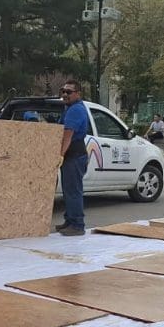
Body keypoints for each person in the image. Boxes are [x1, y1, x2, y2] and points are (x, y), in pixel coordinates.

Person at [56, 80, 90, 237]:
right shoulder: (70, 108)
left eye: (68, 92)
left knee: (73, 191)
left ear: (78, 94)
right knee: (68, 190)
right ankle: (69, 221)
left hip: (74, 155)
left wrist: (60, 155)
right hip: (73, 155)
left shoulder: (75, 110)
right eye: (63, 91)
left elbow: (67, 135)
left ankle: (77, 225)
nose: (64, 94)